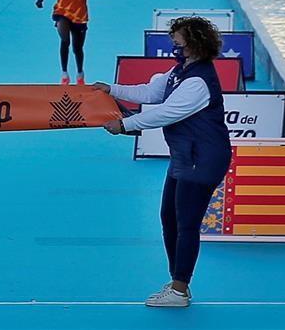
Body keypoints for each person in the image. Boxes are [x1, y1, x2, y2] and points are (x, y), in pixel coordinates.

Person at [94, 16, 231, 308]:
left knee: (187, 224)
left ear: (194, 44)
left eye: (178, 43)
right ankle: (177, 281)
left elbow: (167, 113)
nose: (173, 47)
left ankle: (180, 290)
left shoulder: (199, 82)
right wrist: (112, 90)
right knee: (169, 219)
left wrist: (125, 125)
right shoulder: (178, 71)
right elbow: (149, 92)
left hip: (203, 159)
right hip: (185, 156)